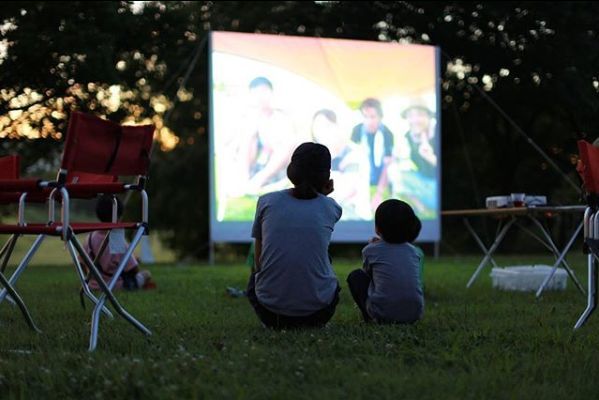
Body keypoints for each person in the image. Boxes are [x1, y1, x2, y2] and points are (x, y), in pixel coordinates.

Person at [247, 142, 342, 329]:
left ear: (292, 171)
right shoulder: (331, 207)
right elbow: (315, 206)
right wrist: (323, 193)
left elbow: (258, 263)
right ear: (326, 177)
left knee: (254, 275)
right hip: (318, 313)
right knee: (324, 258)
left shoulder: (266, 202)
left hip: (270, 313)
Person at [346, 199, 424, 324]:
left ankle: (370, 318)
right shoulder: (414, 251)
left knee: (356, 276)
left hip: (383, 314)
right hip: (415, 314)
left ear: (377, 228)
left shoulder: (370, 250)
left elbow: (368, 275)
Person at [236, 77, 297, 195]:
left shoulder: (282, 118)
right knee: (248, 137)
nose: (260, 97)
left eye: (264, 91)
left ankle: (258, 181)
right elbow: (245, 147)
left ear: (271, 93)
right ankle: (245, 180)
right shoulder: (250, 119)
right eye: (256, 93)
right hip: (258, 165)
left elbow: (288, 146)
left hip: (280, 166)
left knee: (288, 143)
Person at [83, 195, 155, 291]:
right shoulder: (116, 239)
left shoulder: (89, 238)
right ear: (118, 216)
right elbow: (132, 269)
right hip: (116, 286)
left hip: (93, 285)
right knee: (146, 274)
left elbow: (82, 263)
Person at [311, 109, 371, 220]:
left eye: (327, 126)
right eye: (317, 128)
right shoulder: (316, 158)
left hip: (354, 219)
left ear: (337, 126)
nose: (321, 132)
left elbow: (347, 189)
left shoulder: (354, 153)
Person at [350, 98, 394, 210]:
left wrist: (378, 194)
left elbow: (388, 167)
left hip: (381, 176)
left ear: (380, 117)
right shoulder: (356, 131)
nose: (369, 121)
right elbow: (352, 159)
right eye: (365, 117)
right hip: (362, 175)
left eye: (373, 117)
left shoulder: (387, 134)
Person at [396, 100, 438, 214]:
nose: (415, 120)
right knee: (396, 173)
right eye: (410, 116)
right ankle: (420, 208)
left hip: (438, 187)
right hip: (423, 180)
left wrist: (430, 157)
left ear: (429, 117)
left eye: (419, 115)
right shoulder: (408, 137)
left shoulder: (438, 133)